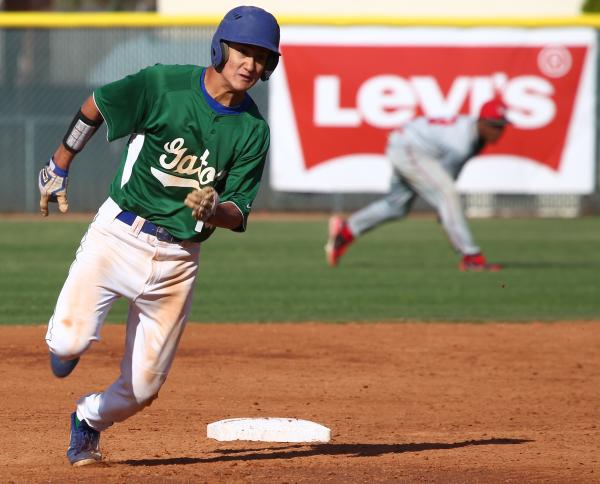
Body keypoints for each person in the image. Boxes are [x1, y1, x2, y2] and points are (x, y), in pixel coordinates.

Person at [38, 5, 280, 466]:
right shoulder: (163, 84)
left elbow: (239, 211)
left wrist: (215, 210)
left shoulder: (253, 130)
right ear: (220, 47)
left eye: (262, 57)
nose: (251, 64)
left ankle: (88, 420)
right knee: (67, 344)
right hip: (117, 237)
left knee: (143, 390)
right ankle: (64, 346)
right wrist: (59, 163)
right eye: (243, 51)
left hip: (178, 262)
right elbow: (97, 105)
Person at [325, 99, 510, 271]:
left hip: (406, 145)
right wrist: (445, 208)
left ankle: (346, 231)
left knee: (396, 207)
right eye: (495, 126)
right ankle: (471, 257)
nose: (499, 131)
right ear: (481, 122)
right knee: (447, 194)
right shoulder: (461, 141)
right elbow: (445, 183)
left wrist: (446, 211)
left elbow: (448, 174)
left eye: (502, 126)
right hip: (409, 148)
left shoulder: (475, 135)